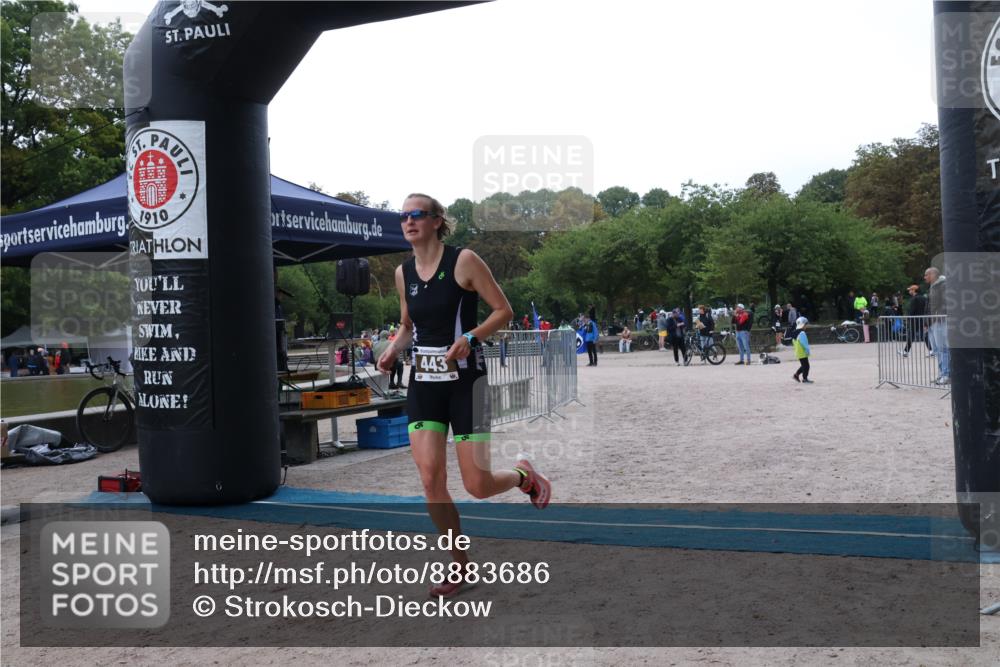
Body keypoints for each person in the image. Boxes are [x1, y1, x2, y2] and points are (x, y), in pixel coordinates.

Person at [376, 193, 551, 598]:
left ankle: (523, 476)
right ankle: (460, 567)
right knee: (430, 479)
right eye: (403, 216)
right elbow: (407, 325)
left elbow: (503, 310)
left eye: (417, 215)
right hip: (425, 384)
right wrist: (393, 349)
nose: (408, 222)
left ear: (437, 220)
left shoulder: (464, 261)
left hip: (466, 383)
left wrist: (471, 337)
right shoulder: (403, 273)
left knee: (477, 485)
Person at [925, 266, 949, 384]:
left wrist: (939, 315)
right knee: (937, 349)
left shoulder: (943, 285)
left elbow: (946, 302)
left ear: (933, 275)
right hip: (932, 321)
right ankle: (941, 373)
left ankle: (946, 374)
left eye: (926, 275)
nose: (925, 277)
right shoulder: (933, 286)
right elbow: (929, 305)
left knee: (943, 348)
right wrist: (927, 322)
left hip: (940, 320)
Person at [898, 284, 930, 357]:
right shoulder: (924, 298)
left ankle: (906, 352)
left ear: (914, 290)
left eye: (910, 290)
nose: (909, 291)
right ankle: (931, 350)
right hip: (922, 319)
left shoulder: (914, 299)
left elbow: (912, 310)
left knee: (911, 335)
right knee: (924, 335)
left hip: (914, 320)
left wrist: (908, 318)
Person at [791, 316, 813, 383]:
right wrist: (807, 350)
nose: (806, 326)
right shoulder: (802, 333)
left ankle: (796, 375)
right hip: (803, 351)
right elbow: (804, 343)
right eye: (805, 324)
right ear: (802, 324)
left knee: (804, 365)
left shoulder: (794, 332)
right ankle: (804, 379)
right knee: (806, 366)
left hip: (798, 351)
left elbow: (793, 342)